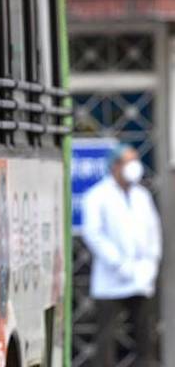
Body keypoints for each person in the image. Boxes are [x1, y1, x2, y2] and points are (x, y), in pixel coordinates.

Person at [82, 144, 162, 367]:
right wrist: (118, 262)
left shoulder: (142, 195)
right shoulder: (97, 196)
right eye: (129, 161)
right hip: (111, 276)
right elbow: (93, 234)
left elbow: (153, 232)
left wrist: (150, 265)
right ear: (116, 166)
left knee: (145, 332)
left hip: (141, 275)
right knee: (107, 334)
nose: (134, 166)